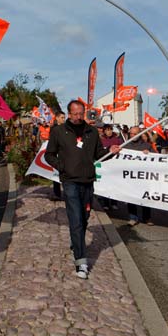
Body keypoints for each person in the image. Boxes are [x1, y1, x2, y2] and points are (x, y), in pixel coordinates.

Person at [45, 100, 115, 279]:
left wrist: (111, 151)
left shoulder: (91, 132)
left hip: (87, 181)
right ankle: (81, 261)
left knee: (84, 218)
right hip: (69, 181)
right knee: (75, 218)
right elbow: (49, 155)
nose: (77, 117)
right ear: (69, 114)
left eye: (80, 114)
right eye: (74, 114)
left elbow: (99, 154)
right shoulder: (59, 131)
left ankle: (76, 242)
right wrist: (62, 166)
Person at [125, 125, 155, 225]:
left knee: (145, 198)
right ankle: (133, 217)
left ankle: (147, 218)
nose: (132, 135)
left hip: (143, 177)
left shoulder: (146, 146)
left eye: (135, 134)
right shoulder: (125, 146)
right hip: (130, 177)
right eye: (131, 134)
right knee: (131, 197)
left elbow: (156, 158)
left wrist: (149, 154)